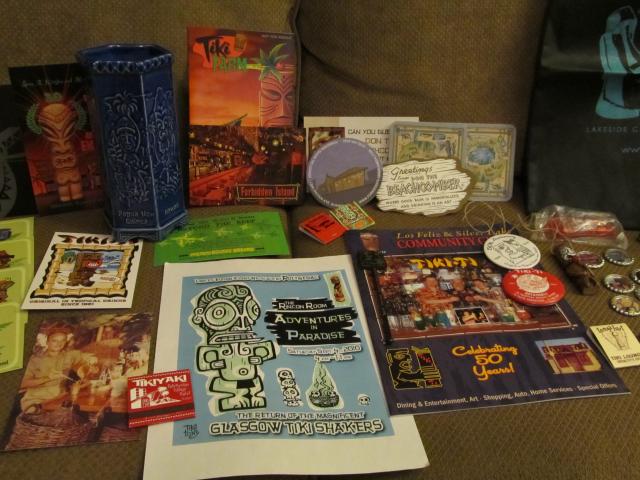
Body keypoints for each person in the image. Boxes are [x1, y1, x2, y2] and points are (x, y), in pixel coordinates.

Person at [20, 326, 98, 413]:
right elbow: (22, 384)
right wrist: (47, 378)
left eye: (62, 340)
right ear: (47, 341)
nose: (59, 344)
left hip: (60, 400)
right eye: (54, 341)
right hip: (36, 401)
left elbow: (82, 365)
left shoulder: (69, 356)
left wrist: (90, 368)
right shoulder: (34, 360)